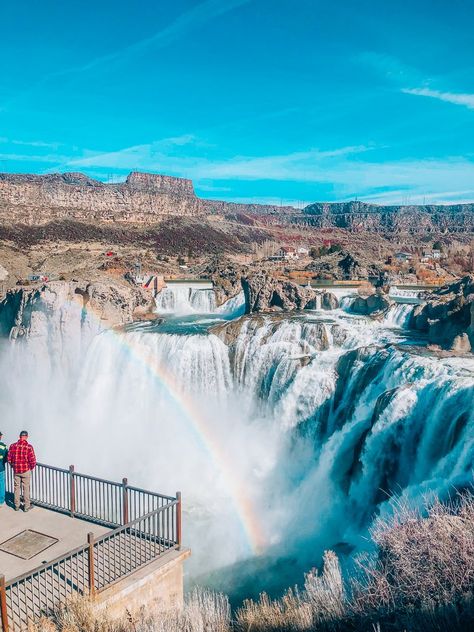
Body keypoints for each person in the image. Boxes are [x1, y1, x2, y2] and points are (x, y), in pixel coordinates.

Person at [8, 431, 36, 512]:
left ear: (19, 436)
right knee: (26, 488)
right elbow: (33, 460)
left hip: (16, 470)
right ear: (26, 437)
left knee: (16, 488)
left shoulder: (13, 446)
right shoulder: (29, 447)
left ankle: (16, 506)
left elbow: (9, 458)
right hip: (25, 470)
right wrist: (31, 468)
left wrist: (13, 466)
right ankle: (26, 507)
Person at [0, 431, 7, 508]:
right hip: (0, 468)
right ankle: (1, 501)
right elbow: (6, 458)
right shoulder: (3, 446)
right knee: (1, 484)